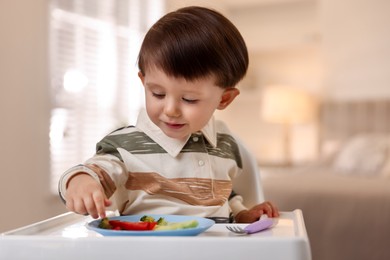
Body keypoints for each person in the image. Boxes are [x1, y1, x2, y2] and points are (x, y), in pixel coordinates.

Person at [58, 6, 279, 223]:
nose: (170, 110)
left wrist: (241, 214)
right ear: (143, 82)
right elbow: (99, 170)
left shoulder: (225, 143)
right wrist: (81, 181)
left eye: (189, 99)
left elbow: (221, 196)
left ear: (224, 99)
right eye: (158, 93)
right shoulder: (125, 145)